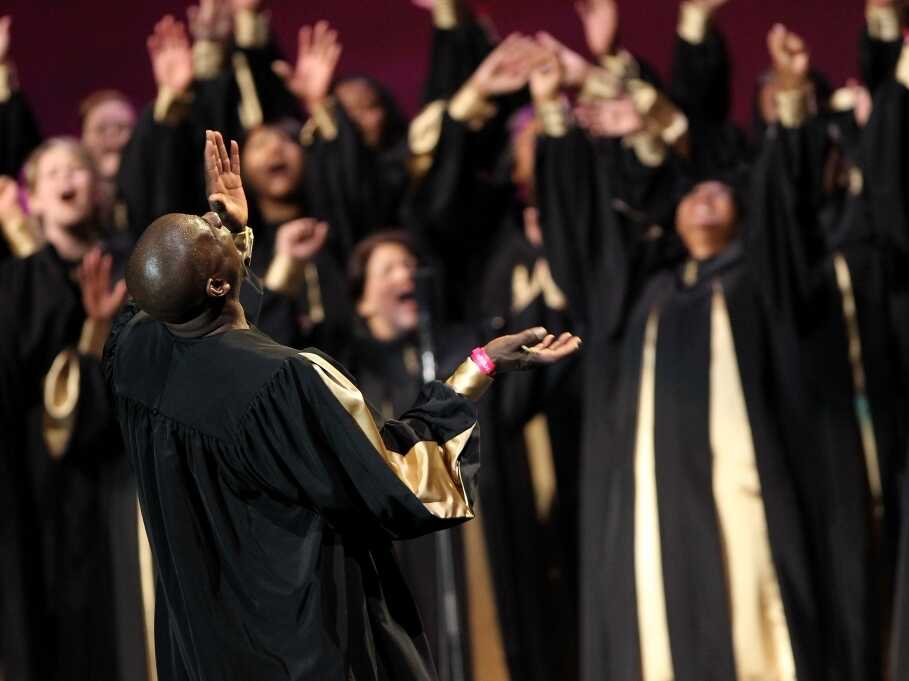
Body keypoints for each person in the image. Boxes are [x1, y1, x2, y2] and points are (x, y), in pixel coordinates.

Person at [103, 129, 580, 681]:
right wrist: (477, 371)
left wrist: (231, 230)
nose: (212, 222)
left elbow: (183, 314)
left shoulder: (134, 356)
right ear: (214, 288)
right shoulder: (283, 380)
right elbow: (401, 484)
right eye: (206, 233)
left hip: (206, 653)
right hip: (298, 647)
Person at [534, 25, 879, 681]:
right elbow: (581, 243)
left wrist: (792, 95)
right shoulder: (644, 289)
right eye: (690, 191)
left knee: (755, 605)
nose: (704, 194)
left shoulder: (762, 280)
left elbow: (789, 209)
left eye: (721, 189)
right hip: (656, 506)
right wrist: (554, 114)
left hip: (745, 496)